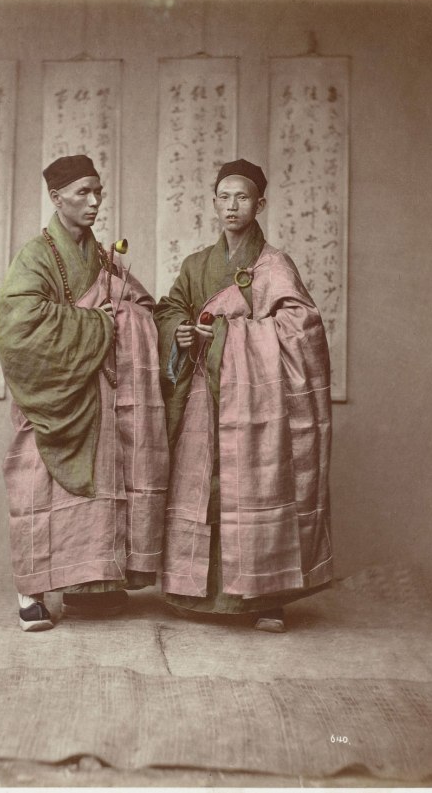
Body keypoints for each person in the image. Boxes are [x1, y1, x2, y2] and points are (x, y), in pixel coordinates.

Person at [154, 158, 332, 632]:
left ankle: (266, 595)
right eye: (224, 197)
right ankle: (194, 590)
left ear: (260, 204)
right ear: (213, 203)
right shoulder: (196, 265)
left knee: (255, 487)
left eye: (243, 197)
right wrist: (182, 334)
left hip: (254, 400)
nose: (232, 206)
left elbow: (300, 327)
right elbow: (169, 309)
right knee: (200, 487)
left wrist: (229, 337)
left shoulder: (273, 265)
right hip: (201, 394)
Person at [0, 154, 168, 631]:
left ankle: (88, 589)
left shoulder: (104, 258)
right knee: (36, 484)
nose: (93, 202)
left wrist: (128, 320)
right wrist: (96, 324)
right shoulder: (36, 255)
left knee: (96, 495)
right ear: (56, 198)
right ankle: (30, 592)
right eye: (82, 193)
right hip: (54, 394)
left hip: (101, 396)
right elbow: (18, 326)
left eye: (98, 192)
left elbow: (140, 306)